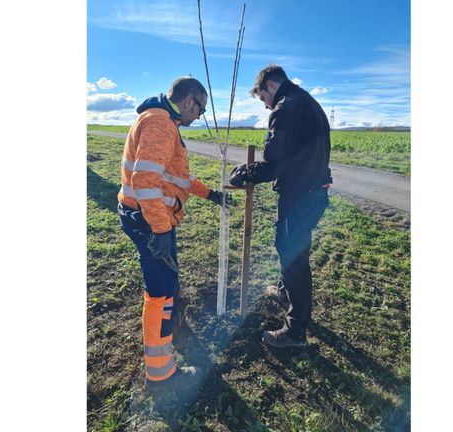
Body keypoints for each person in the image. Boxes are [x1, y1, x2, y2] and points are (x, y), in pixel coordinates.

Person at [118, 77, 232, 393]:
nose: (200, 115)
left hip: (152, 220)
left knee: (167, 286)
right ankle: (161, 375)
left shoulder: (164, 122)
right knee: (161, 292)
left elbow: (178, 176)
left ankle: (170, 332)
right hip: (150, 222)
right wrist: (161, 230)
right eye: (202, 108)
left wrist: (210, 194)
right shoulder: (160, 124)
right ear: (188, 101)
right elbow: (145, 181)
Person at [230, 65, 332, 348]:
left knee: (293, 258)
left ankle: (295, 331)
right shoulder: (309, 103)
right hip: (312, 192)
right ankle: (287, 294)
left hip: (300, 195)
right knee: (290, 247)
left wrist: (245, 173)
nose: (265, 106)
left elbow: (275, 163)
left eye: (263, 99)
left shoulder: (285, 108)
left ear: (270, 87)